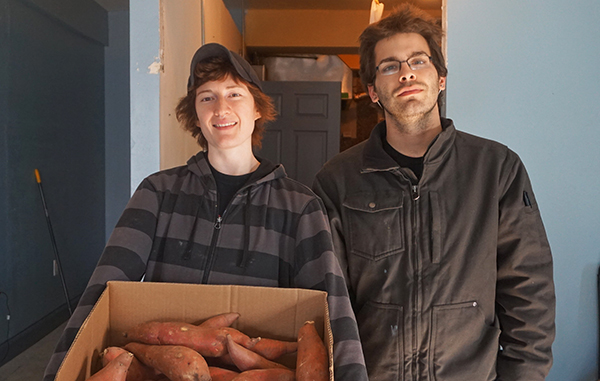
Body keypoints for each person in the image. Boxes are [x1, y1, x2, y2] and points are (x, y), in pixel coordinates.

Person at [43, 43, 368, 381]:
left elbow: (334, 312)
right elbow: (100, 291)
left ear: (257, 108)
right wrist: (58, 372)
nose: (221, 108)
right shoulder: (157, 193)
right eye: (207, 97)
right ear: (195, 115)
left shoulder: (300, 206)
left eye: (235, 94)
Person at [312, 5, 555, 381]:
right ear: (373, 91)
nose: (406, 71)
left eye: (418, 61)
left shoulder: (496, 169)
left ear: (441, 78)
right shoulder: (337, 181)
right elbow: (328, 301)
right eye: (390, 65)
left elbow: (529, 293)